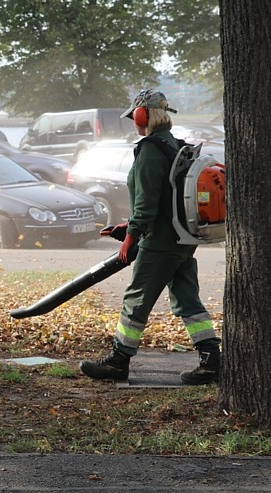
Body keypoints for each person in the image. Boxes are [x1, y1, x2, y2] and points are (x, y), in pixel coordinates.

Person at [79, 89, 221, 385]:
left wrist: (132, 238)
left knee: (135, 301)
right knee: (186, 298)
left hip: (159, 243)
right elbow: (165, 199)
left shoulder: (150, 150)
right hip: (182, 240)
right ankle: (211, 360)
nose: (133, 121)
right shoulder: (177, 147)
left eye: (134, 116)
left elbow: (146, 204)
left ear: (144, 115)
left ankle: (118, 360)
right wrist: (128, 227)